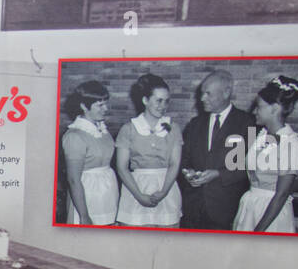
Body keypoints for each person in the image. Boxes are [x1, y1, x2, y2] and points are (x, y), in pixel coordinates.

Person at [179, 69, 252, 230]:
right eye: (202, 93)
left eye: (208, 93)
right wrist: (188, 173)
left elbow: (248, 166)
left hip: (226, 210)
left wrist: (218, 174)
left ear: (226, 93)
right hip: (193, 209)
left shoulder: (247, 123)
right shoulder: (195, 124)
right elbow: (184, 159)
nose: (202, 98)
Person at [233, 76, 298, 233]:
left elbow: (281, 194)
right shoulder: (260, 135)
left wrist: (258, 231)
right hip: (250, 206)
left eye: (259, 107)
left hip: (271, 214)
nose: (254, 111)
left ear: (275, 109)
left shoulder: (291, 144)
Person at [114, 73, 183, 227]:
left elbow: (174, 163)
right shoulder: (129, 129)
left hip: (166, 186)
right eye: (158, 101)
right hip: (135, 188)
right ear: (145, 100)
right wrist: (139, 196)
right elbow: (122, 167)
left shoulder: (173, 128)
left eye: (166, 101)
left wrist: (164, 192)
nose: (163, 106)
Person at [61, 81, 118, 225]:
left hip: (107, 194)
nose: (106, 108)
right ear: (84, 106)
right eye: (100, 105)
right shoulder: (75, 136)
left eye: (106, 103)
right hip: (87, 198)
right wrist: (84, 216)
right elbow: (74, 180)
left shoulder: (102, 130)